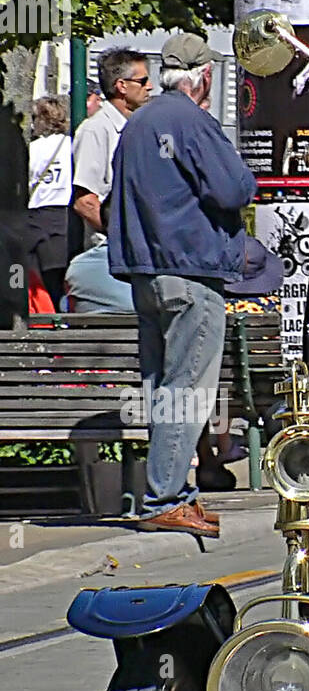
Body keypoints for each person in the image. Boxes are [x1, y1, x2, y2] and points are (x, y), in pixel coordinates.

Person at [108, 33, 260, 538]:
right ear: (206, 77)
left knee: (164, 390)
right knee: (189, 390)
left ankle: (170, 493)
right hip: (190, 274)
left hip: (146, 273)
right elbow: (234, 187)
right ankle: (165, 497)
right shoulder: (190, 120)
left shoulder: (138, 122)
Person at [71, 48, 151, 249]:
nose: (150, 87)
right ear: (121, 86)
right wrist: (122, 237)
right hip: (110, 253)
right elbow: (85, 203)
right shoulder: (95, 130)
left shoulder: (138, 126)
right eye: (143, 81)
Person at [27, 95, 72, 309]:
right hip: (64, 215)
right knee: (62, 276)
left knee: (42, 282)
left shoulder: (32, 149)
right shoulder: (70, 145)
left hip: (36, 216)